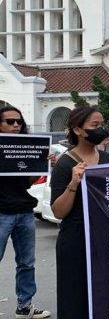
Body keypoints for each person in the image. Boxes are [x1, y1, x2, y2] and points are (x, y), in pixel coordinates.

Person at [50, 106, 109, 318]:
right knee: (75, 298)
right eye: (94, 125)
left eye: (102, 124)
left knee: (104, 296)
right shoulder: (65, 164)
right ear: (78, 130)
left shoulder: (107, 159)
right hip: (76, 241)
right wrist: (74, 183)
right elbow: (58, 211)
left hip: (104, 240)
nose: (101, 129)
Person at [0, 106, 51, 318]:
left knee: (26, 263)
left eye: (18, 122)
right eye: (10, 122)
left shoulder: (26, 147)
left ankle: (25, 306)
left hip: (24, 211)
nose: (15, 126)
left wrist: (41, 165)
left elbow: (28, 183)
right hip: (1, 213)